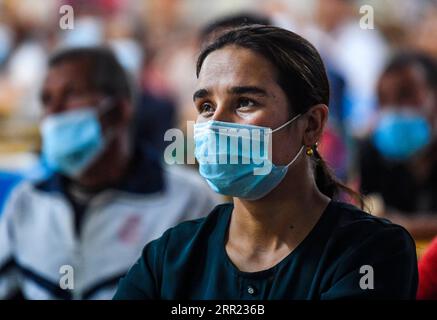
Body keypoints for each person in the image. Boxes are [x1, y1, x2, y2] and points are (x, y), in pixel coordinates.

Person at [114, 26, 418, 300]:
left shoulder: (370, 253)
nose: (216, 123)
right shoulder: (171, 255)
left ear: (311, 124)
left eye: (245, 102)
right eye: (206, 106)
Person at [0, 47, 219, 299]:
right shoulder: (28, 200)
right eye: (47, 100)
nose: (53, 113)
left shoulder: (187, 201)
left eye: (71, 95)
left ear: (118, 111)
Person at [358, 52, 437, 239]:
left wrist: (403, 225)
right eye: (384, 99)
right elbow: (367, 215)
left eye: (407, 95)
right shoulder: (372, 151)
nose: (395, 109)